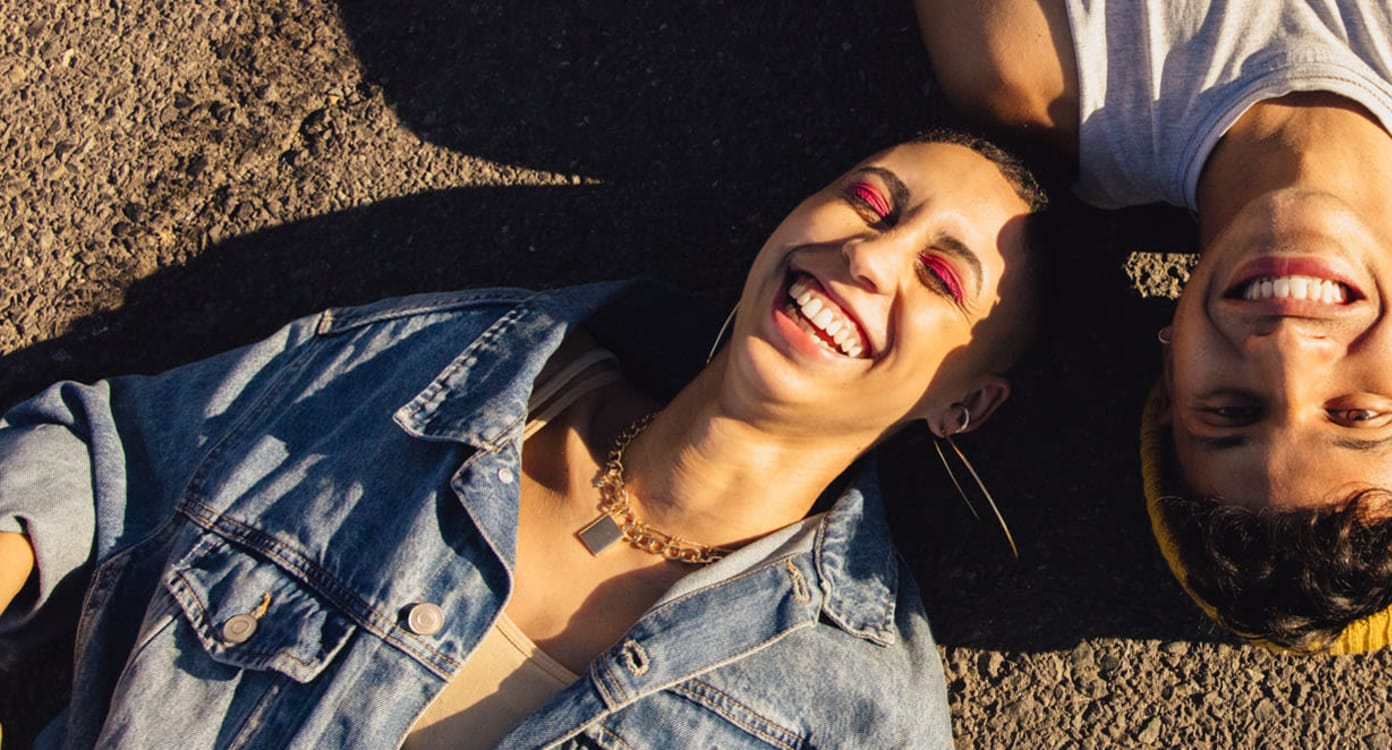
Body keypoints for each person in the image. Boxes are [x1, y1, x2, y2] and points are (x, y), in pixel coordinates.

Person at [0, 131, 1046, 747]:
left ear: (961, 406)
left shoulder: (853, 713)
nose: (871, 257)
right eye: (868, 203)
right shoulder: (444, 366)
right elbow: (111, 458)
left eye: (941, 276)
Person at [915, 0, 1392, 652]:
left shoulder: (1029, 57)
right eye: (1357, 414)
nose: (1289, 351)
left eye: (1229, 411)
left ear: (1172, 371)